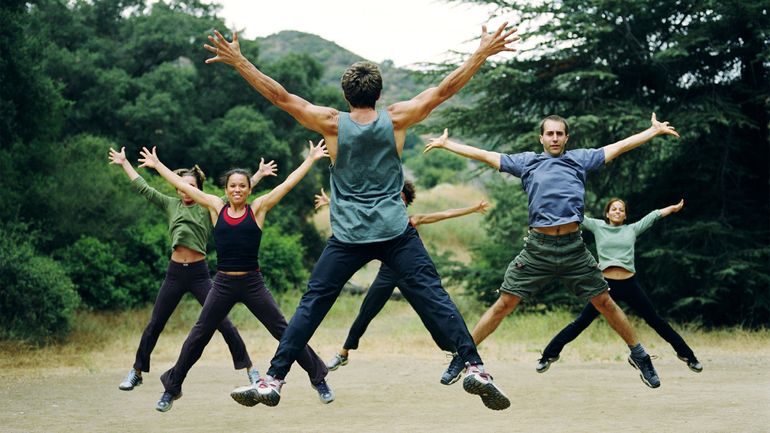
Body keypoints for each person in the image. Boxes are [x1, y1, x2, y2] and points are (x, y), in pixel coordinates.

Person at [206, 22, 519, 410]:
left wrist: (240, 62)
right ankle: (474, 367)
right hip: (395, 231)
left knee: (312, 304)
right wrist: (481, 54)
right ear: (379, 93)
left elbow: (281, 97)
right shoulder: (399, 118)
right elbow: (444, 90)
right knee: (434, 295)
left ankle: (274, 379)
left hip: (349, 236)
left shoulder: (331, 123)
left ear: (345, 94)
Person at [424, 113, 680, 389]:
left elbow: (617, 147)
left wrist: (651, 132)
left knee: (605, 302)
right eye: (550, 134)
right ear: (542, 138)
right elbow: (487, 156)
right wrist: (448, 145)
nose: (555, 138)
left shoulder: (579, 159)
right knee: (505, 304)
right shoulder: (528, 163)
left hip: (573, 248)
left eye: (560, 134)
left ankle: (639, 356)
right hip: (538, 249)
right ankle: (463, 356)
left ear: (566, 138)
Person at [135, 141, 333, 412]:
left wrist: (310, 160)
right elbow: (185, 187)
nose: (237, 189)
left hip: (252, 282)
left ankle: (318, 378)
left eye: (242, 185)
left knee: (286, 332)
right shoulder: (216, 207)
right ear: (226, 189)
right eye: (232, 186)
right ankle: (172, 388)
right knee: (199, 335)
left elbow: (286, 185)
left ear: (249, 188)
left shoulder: (259, 208)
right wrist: (158, 166)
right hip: (224, 283)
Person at [108, 147, 276, 392]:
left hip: (199, 274)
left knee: (224, 323)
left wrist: (258, 176)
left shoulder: (208, 206)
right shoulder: (169, 204)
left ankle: (250, 370)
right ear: (178, 188)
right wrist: (125, 163)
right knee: (155, 323)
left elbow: (237, 194)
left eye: (192, 186)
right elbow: (142, 187)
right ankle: (136, 372)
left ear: (198, 188)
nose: (187, 190)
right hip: (175, 273)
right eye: (183, 186)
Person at [313, 182, 489, 374]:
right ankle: (343, 353)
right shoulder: (381, 218)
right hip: (386, 274)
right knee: (366, 312)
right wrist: (330, 202)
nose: (397, 200)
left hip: (409, 275)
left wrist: (473, 208)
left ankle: (458, 354)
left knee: (430, 316)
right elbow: (358, 209)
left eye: (401, 198)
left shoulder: (412, 220)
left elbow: (445, 213)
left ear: (405, 201)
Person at [537, 197, 703, 373]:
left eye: (621, 210)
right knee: (581, 322)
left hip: (629, 284)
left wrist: (673, 208)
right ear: (607, 214)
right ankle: (548, 356)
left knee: (655, 320)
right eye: (614, 209)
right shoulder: (598, 226)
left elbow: (654, 216)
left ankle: (688, 357)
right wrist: (553, 201)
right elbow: (575, 215)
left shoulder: (632, 229)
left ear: (625, 216)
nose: (617, 211)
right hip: (605, 286)